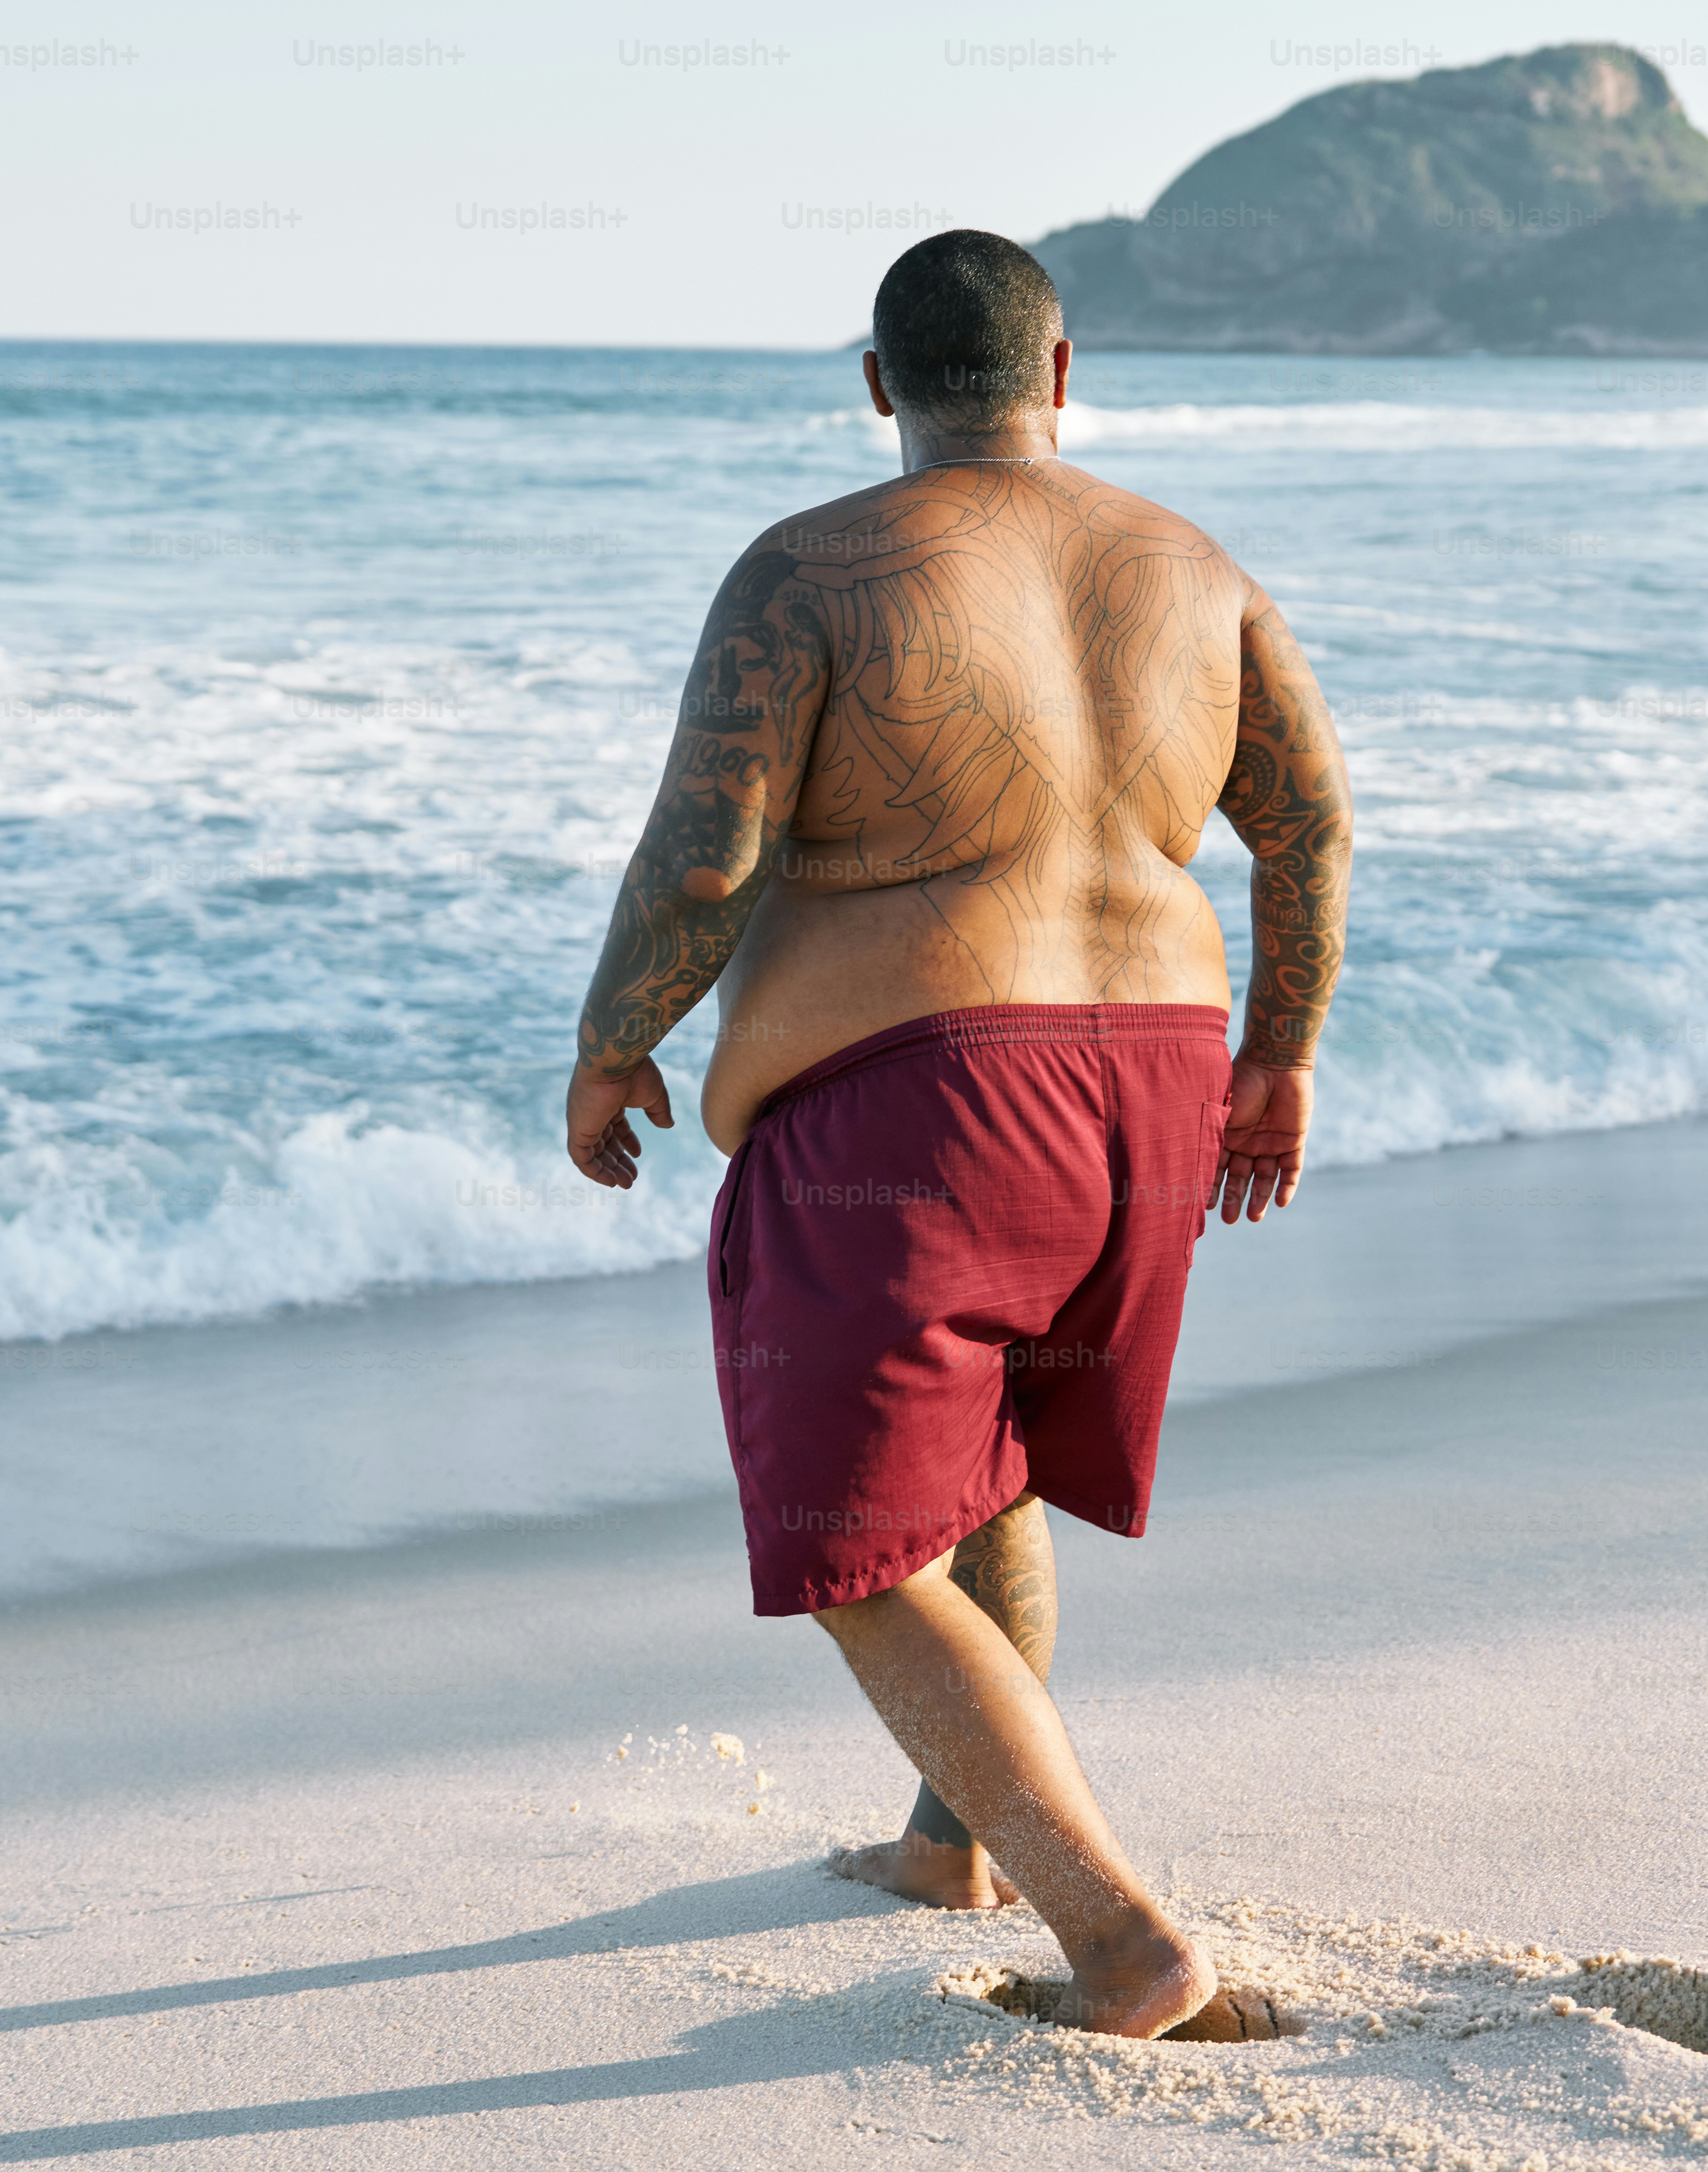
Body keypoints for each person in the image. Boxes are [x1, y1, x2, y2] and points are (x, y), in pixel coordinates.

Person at [562, 230, 1351, 2041]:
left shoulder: (814, 567)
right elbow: (1309, 828)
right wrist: (1282, 1054)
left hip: (917, 1097)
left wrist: (614, 1045)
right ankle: (948, 1844)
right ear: (1060, 374)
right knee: (979, 1453)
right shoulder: (1198, 568)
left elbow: (706, 852)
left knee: (855, 1543)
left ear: (873, 384)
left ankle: (1117, 1934)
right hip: (1152, 1081)